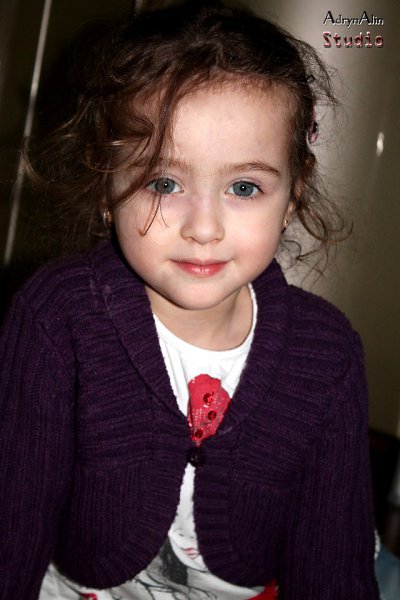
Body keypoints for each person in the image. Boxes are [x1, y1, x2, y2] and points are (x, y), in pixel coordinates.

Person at [0, 1, 380, 598]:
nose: (204, 228)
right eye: (163, 182)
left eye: (244, 187)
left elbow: (332, 560)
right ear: (106, 187)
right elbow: (12, 522)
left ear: (292, 196)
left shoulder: (327, 354)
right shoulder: (58, 317)